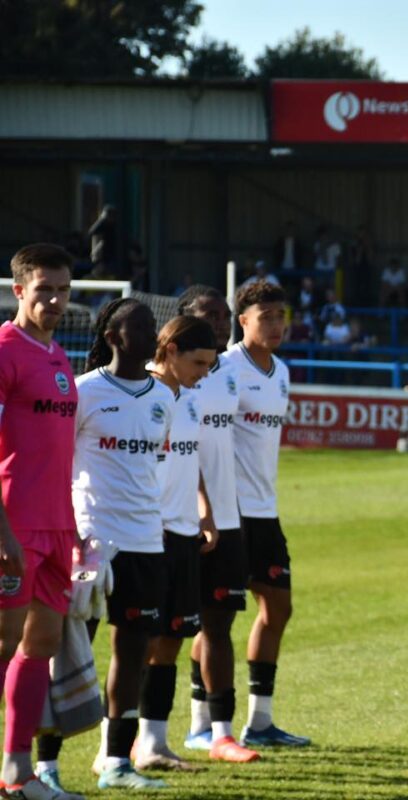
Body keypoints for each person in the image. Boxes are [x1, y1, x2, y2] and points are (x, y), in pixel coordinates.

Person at [74, 298, 175, 790]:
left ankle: (115, 761)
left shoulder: (165, 397)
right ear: (112, 336)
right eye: (139, 326)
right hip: (92, 540)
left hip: (144, 541)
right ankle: (42, 762)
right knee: (69, 649)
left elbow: (150, 462)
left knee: (133, 653)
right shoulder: (84, 393)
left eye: (152, 325)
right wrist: (71, 530)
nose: (151, 333)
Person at [0, 245, 84, 800]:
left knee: (42, 644)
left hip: (55, 527)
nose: (53, 300)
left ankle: (17, 771)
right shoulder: (5, 352)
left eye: (61, 290)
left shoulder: (57, 357)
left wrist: (72, 526)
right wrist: (3, 532)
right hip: (14, 527)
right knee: (1, 645)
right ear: (19, 291)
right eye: (43, 289)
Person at [176, 286, 261, 764]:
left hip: (228, 518)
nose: (222, 322)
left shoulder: (229, 373)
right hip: (181, 519)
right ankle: (144, 736)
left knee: (218, 623)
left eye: (225, 316)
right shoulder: (171, 379)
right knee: (164, 633)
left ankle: (219, 731)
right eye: (211, 316)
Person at [226, 281, 310, 747]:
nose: (277, 325)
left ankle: (259, 723)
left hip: (265, 511)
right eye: (266, 316)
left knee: (278, 607)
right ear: (244, 321)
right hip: (229, 511)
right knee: (216, 616)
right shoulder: (224, 369)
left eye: (281, 315)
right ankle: (206, 724)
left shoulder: (281, 371)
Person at [134, 316, 219, 772]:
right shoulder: (137, 394)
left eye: (209, 364)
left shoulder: (190, 400)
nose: (203, 372)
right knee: (135, 645)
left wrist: (204, 508)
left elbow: (192, 460)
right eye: (197, 362)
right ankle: (115, 747)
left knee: (169, 641)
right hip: (146, 534)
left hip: (186, 533)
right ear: (168, 350)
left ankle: (153, 744)